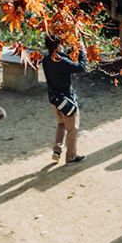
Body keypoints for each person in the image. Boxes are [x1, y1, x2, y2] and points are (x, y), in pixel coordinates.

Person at [42, 33, 89, 164]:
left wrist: (73, 49)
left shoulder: (46, 58)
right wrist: (82, 51)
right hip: (67, 101)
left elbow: (65, 59)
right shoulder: (60, 61)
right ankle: (71, 157)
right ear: (57, 46)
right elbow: (80, 67)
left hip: (54, 100)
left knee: (61, 124)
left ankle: (57, 150)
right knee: (72, 130)